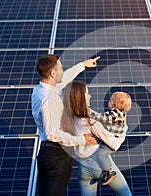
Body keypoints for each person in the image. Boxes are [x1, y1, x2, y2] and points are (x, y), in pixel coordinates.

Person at [31, 54, 99, 196]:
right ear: (53, 73)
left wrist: (82, 65)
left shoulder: (39, 90)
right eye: (60, 69)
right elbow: (52, 134)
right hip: (57, 156)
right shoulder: (50, 99)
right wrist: (82, 140)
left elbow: (63, 80)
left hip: (48, 154)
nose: (62, 71)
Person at [61, 80, 132, 196]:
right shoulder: (90, 120)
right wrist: (123, 130)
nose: (90, 96)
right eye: (87, 94)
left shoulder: (67, 117)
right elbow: (113, 143)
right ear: (81, 98)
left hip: (82, 167)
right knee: (126, 194)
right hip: (99, 164)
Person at [89, 92, 132, 185]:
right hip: (111, 138)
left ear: (114, 104)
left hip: (111, 142)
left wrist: (89, 112)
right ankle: (101, 172)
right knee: (99, 155)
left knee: (101, 155)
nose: (108, 102)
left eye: (110, 100)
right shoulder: (119, 113)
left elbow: (103, 118)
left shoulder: (116, 114)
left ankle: (109, 172)